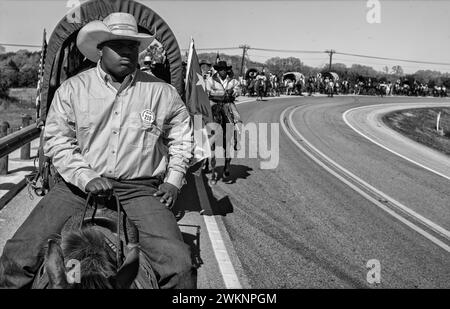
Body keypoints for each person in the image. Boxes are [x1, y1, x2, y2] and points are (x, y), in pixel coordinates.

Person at [0, 12, 195, 289]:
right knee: (16, 257)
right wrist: (86, 176)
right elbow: (57, 140)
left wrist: (173, 180)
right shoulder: (72, 89)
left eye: (133, 46)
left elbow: (182, 139)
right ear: (100, 49)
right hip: (76, 189)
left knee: (180, 266)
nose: (127, 52)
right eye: (118, 45)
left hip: (138, 189)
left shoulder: (162, 93)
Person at [204, 61, 242, 181]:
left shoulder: (233, 81)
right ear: (218, 70)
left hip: (227, 103)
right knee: (204, 118)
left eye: (224, 69)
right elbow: (207, 91)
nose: (223, 71)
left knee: (237, 119)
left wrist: (234, 93)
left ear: (227, 70)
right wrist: (220, 94)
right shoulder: (210, 80)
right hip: (214, 102)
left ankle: (236, 139)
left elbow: (238, 90)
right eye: (220, 69)